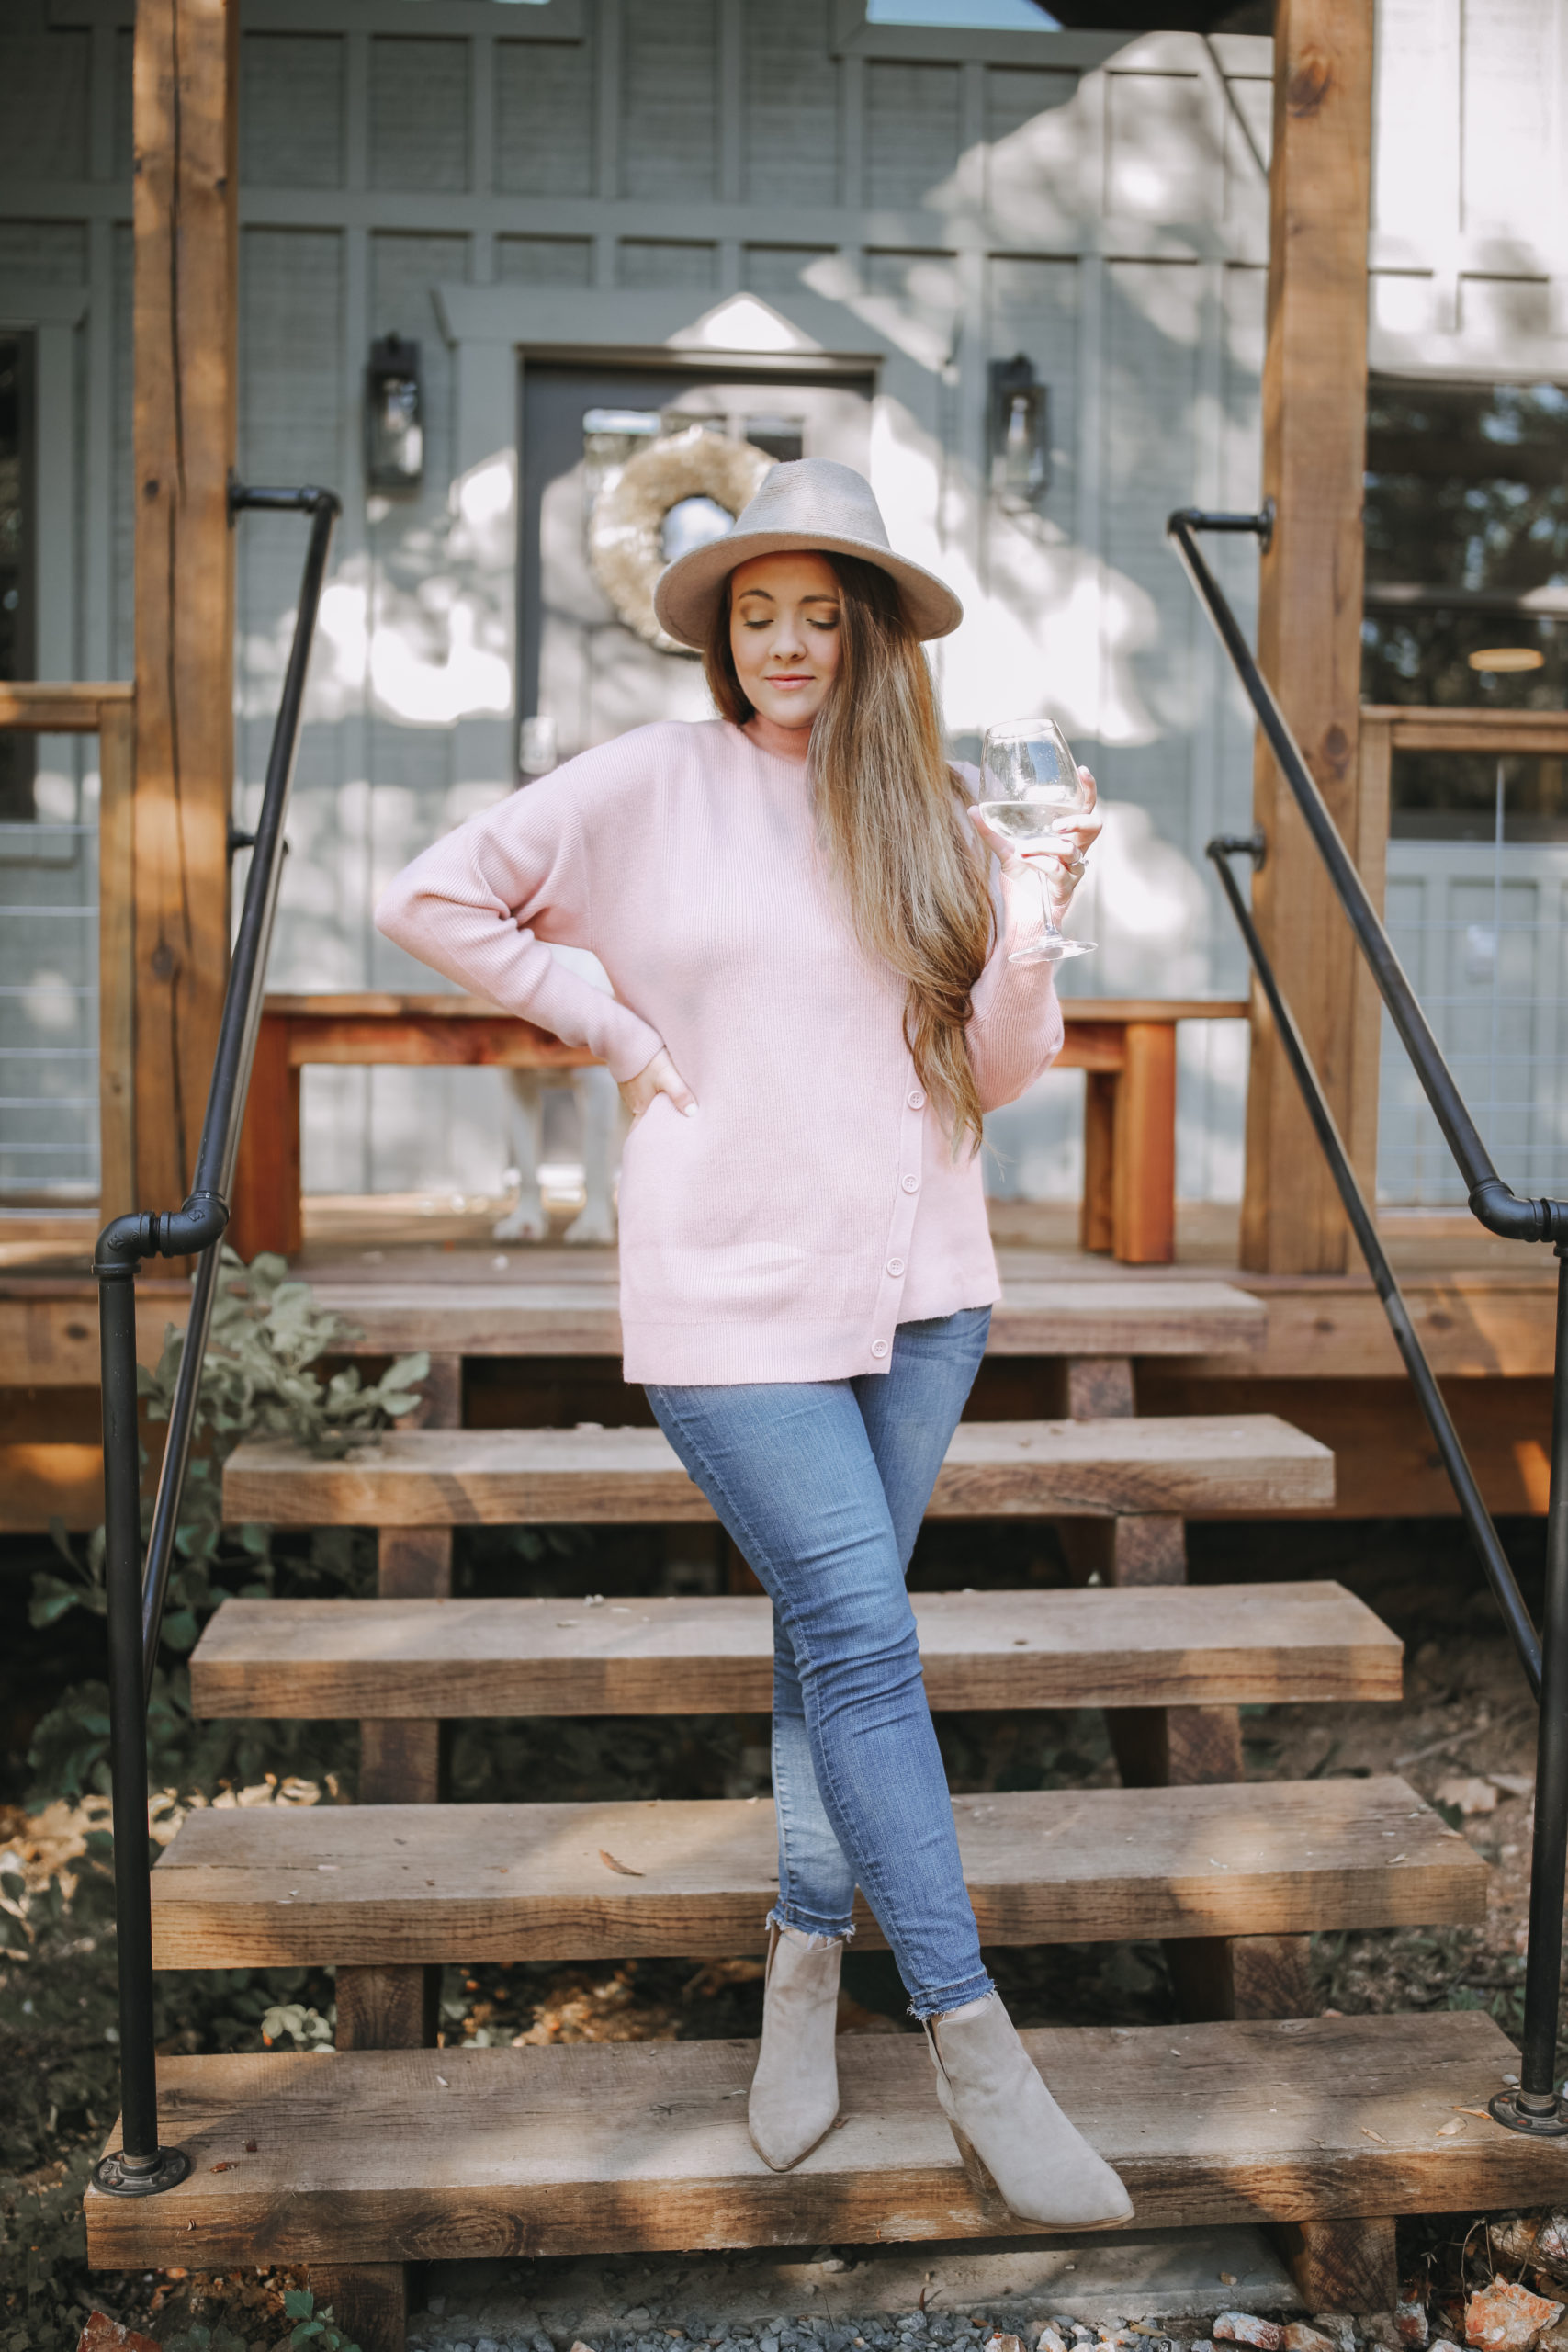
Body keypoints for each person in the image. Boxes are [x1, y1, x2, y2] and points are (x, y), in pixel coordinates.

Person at [375, 458, 1130, 2231]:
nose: (787, 644)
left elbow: (1003, 1072)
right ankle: (976, 2048)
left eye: (819, 614)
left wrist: (1032, 915)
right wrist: (611, 1028)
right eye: (756, 614)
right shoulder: (650, 783)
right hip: (726, 1296)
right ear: (724, 636)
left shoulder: (933, 806)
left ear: (870, 634)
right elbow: (434, 896)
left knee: (826, 1640)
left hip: (925, 1287)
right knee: (869, 1641)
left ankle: (803, 1969)